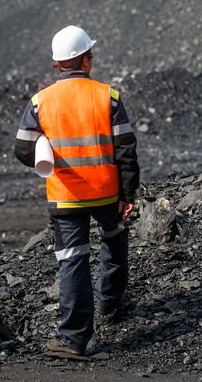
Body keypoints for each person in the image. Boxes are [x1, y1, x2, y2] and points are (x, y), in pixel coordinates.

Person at [14, 25, 140, 358]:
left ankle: (73, 340)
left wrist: (44, 147)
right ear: (85, 61)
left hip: (65, 196)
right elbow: (126, 149)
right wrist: (128, 194)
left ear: (58, 64)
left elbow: (23, 149)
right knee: (114, 238)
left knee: (73, 261)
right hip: (106, 193)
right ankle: (111, 303)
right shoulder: (107, 97)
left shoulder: (40, 102)